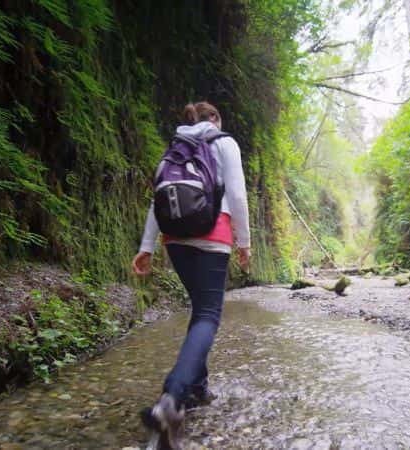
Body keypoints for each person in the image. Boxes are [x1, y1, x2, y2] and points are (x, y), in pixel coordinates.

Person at [132, 101, 250, 446]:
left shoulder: (174, 147)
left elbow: (157, 198)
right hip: (214, 234)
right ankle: (172, 398)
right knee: (209, 315)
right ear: (214, 119)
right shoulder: (224, 142)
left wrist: (147, 246)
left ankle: (197, 388)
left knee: (200, 310)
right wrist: (245, 242)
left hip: (176, 240)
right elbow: (238, 194)